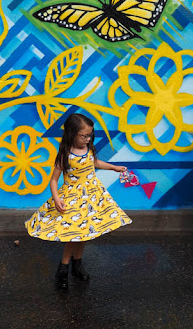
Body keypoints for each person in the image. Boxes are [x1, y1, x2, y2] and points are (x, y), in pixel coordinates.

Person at [25, 113, 132, 289]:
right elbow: (53, 180)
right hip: (72, 198)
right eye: (84, 136)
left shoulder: (88, 149)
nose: (88, 139)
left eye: (90, 135)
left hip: (92, 196)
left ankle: (77, 265)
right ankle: (63, 268)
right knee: (73, 235)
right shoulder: (65, 155)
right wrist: (57, 199)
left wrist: (113, 167)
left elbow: (95, 162)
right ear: (72, 134)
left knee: (85, 232)